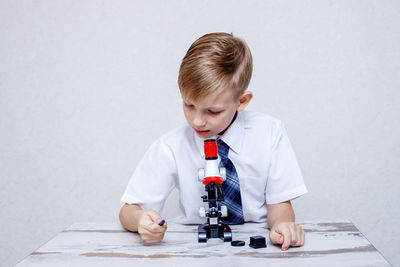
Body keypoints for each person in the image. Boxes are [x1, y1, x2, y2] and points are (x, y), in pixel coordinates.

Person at [119, 32, 308, 250]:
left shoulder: (270, 132)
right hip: (196, 247)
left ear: (242, 101)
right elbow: (128, 211)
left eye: (213, 111)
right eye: (189, 105)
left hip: (256, 244)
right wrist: (141, 220)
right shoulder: (170, 146)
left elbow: (280, 205)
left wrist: (283, 225)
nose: (197, 121)